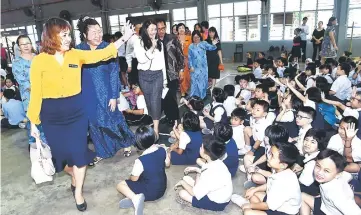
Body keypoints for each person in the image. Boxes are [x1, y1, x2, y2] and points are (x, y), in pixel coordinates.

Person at [27, 17, 134, 211]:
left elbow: (102, 54)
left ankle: (78, 193)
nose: (68, 39)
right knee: (61, 159)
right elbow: (36, 94)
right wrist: (33, 123)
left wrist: (123, 39)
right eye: (64, 35)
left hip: (76, 111)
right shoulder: (39, 61)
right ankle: (75, 176)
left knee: (80, 155)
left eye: (69, 34)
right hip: (52, 115)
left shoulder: (75, 55)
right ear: (51, 37)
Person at [76, 17, 135, 160]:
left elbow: (114, 74)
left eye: (99, 31)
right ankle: (103, 151)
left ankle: (126, 143)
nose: (98, 35)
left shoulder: (108, 48)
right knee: (95, 124)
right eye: (93, 32)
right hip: (87, 94)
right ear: (85, 35)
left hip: (106, 92)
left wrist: (114, 96)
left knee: (113, 119)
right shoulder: (79, 50)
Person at [231, 142, 301, 215]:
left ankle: (249, 206)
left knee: (247, 212)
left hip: (284, 212)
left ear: (283, 165)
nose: (268, 156)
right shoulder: (280, 170)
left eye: (272, 155)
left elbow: (268, 206)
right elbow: (269, 184)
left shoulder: (283, 182)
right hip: (277, 205)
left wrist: (249, 205)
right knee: (252, 193)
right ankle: (257, 210)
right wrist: (254, 189)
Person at [117, 126, 167, 215]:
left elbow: (134, 179)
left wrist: (130, 178)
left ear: (139, 144)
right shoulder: (162, 149)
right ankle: (136, 198)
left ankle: (135, 199)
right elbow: (167, 163)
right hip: (162, 188)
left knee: (120, 185)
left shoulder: (140, 160)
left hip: (151, 192)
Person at [175, 136, 232, 211]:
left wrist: (182, 183)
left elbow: (194, 193)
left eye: (201, 147)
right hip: (222, 194)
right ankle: (196, 188)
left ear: (206, 155)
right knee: (189, 178)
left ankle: (194, 202)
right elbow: (207, 169)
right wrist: (196, 169)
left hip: (217, 203)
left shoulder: (207, 175)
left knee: (182, 193)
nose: (200, 148)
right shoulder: (219, 162)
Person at [300, 149, 361, 215]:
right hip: (326, 206)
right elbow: (348, 176)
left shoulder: (337, 195)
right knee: (302, 196)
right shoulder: (340, 175)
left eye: (326, 171)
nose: (319, 172)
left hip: (329, 212)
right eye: (318, 166)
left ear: (338, 174)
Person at [134, 19, 167, 136]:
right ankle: (152, 122)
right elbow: (141, 60)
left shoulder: (160, 44)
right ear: (145, 30)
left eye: (155, 29)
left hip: (157, 75)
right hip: (143, 76)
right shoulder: (139, 43)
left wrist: (165, 81)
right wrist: (152, 47)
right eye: (151, 29)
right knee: (148, 102)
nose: (154, 32)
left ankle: (156, 129)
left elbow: (162, 62)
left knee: (155, 101)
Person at [156, 19, 184, 126]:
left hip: (172, 74)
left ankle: (176, 120)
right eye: (158, 29)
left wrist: (181, 70)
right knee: (163, 97)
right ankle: (169, 116)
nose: (161, 31)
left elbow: (180, 55)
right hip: (159, 74)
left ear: (165, 27)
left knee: (172, 96)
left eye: (163, 28)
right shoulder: (153, 41)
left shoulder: (172, 39)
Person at [188, 30, 218, 99]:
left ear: (200, 37)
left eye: (197, 37)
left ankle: (202, 97)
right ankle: (193, 97)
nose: (196, 39)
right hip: (194, 68)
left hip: (203, 68)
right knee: (194, 83)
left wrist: (213, 44)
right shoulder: (191, 46)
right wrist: (190, 66)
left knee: (202, 83)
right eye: (194, 37)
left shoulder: (204, 43)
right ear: (192, 38)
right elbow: (190, 57)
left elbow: (211, 48)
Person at [298, 129, 328, 196]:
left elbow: (303, 183)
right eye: (306, 140)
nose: (307, 144)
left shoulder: (313, 163)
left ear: (320, 145)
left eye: (313, 142)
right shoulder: (312, 156)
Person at [177, 23, 192, 99]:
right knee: (182, 76)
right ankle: (183, 93)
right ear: (177, 30)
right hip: (179, 61)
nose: (181, 29)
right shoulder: (175, 39)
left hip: (187, 60)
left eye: (182, 27)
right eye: (179, 28)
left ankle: (186, 89)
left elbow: (192, 49)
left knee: (188, 77)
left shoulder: (189, 38)